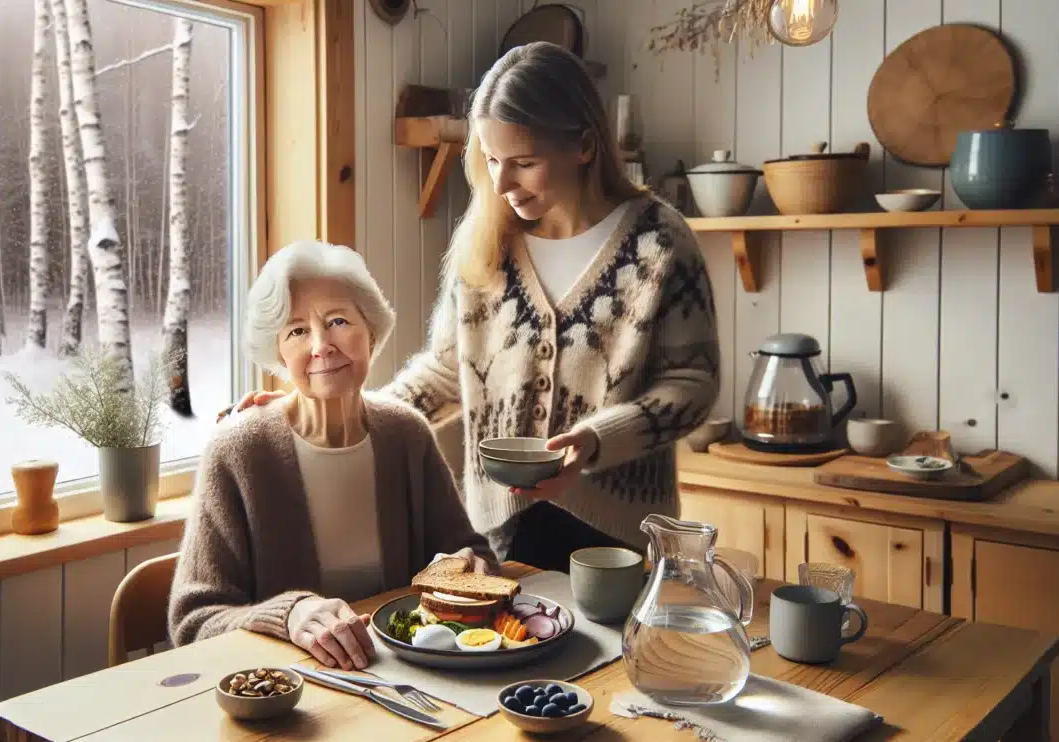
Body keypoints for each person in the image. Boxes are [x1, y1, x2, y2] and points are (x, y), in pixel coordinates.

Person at [218, 41, 721, 573]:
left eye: (524, 163)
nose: (502, 184)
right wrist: (320, 412)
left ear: (585, 146)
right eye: (491, 160)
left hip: (620, 534)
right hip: (502, 529)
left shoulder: (659, 243)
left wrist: (596, 441)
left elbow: (692, 383)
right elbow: (446, 372)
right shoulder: (488, 243)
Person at [169, 239, 496, 672]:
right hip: (289, 697)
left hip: (407, 680)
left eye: (338, 321)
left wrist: (470, 566)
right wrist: (287, 616)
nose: (321, 345)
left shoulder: (407, 434)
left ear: (371, 333)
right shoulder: (237, 451)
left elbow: (471, 551)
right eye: (298, 331)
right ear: (279, 353)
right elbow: (193, 622)